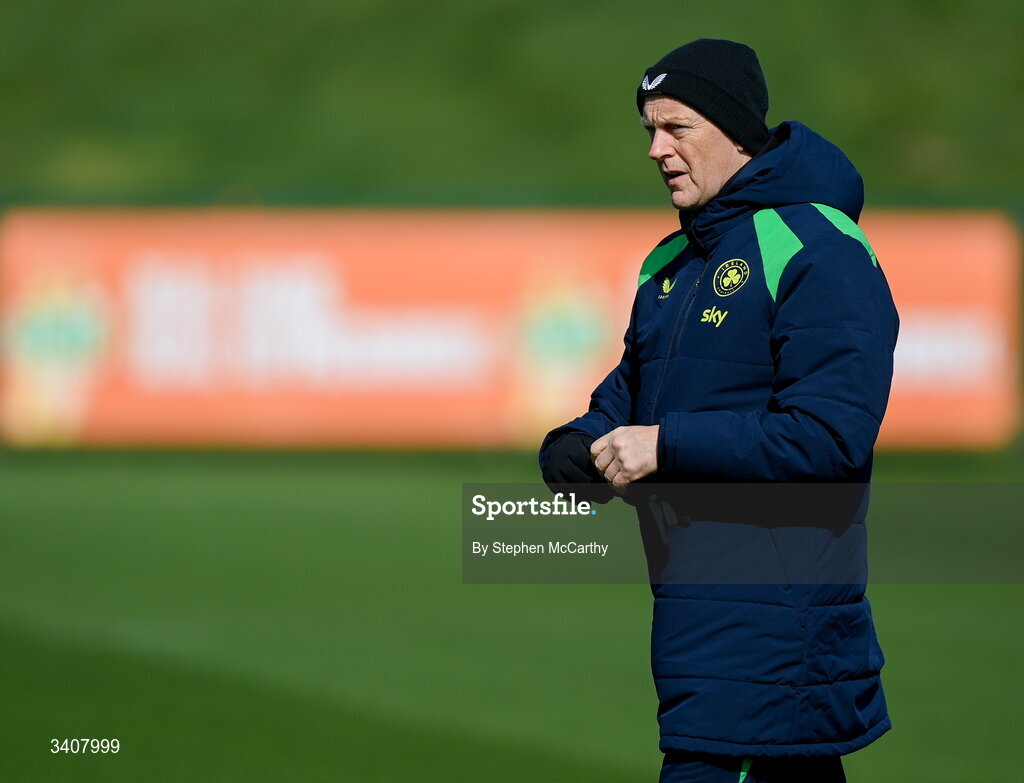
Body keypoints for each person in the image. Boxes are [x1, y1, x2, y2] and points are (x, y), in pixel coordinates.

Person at [539, 39, 898, 783]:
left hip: (771, 648)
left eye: (677, 128)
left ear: (736, 130)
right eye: (649, 130)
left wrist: (662, 447)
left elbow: (828, 437)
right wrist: (578, 447)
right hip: (703, 639)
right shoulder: (668, 264)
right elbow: (623, 400)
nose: (656, 149)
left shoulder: (817, 247)